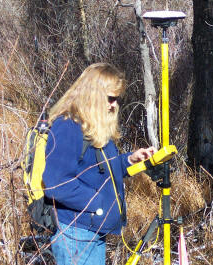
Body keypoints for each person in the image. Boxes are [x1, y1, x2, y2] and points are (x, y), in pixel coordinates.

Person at [42, 63, 156, 265]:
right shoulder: (68, 126)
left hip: (92, 230)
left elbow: (99, 171)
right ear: (93, 95)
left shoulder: (92, 126)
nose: (114, 104)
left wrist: (129, 160)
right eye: (110, 98)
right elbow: (55, 183)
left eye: (117, 99)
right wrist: (97, 203)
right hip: (76, 234)